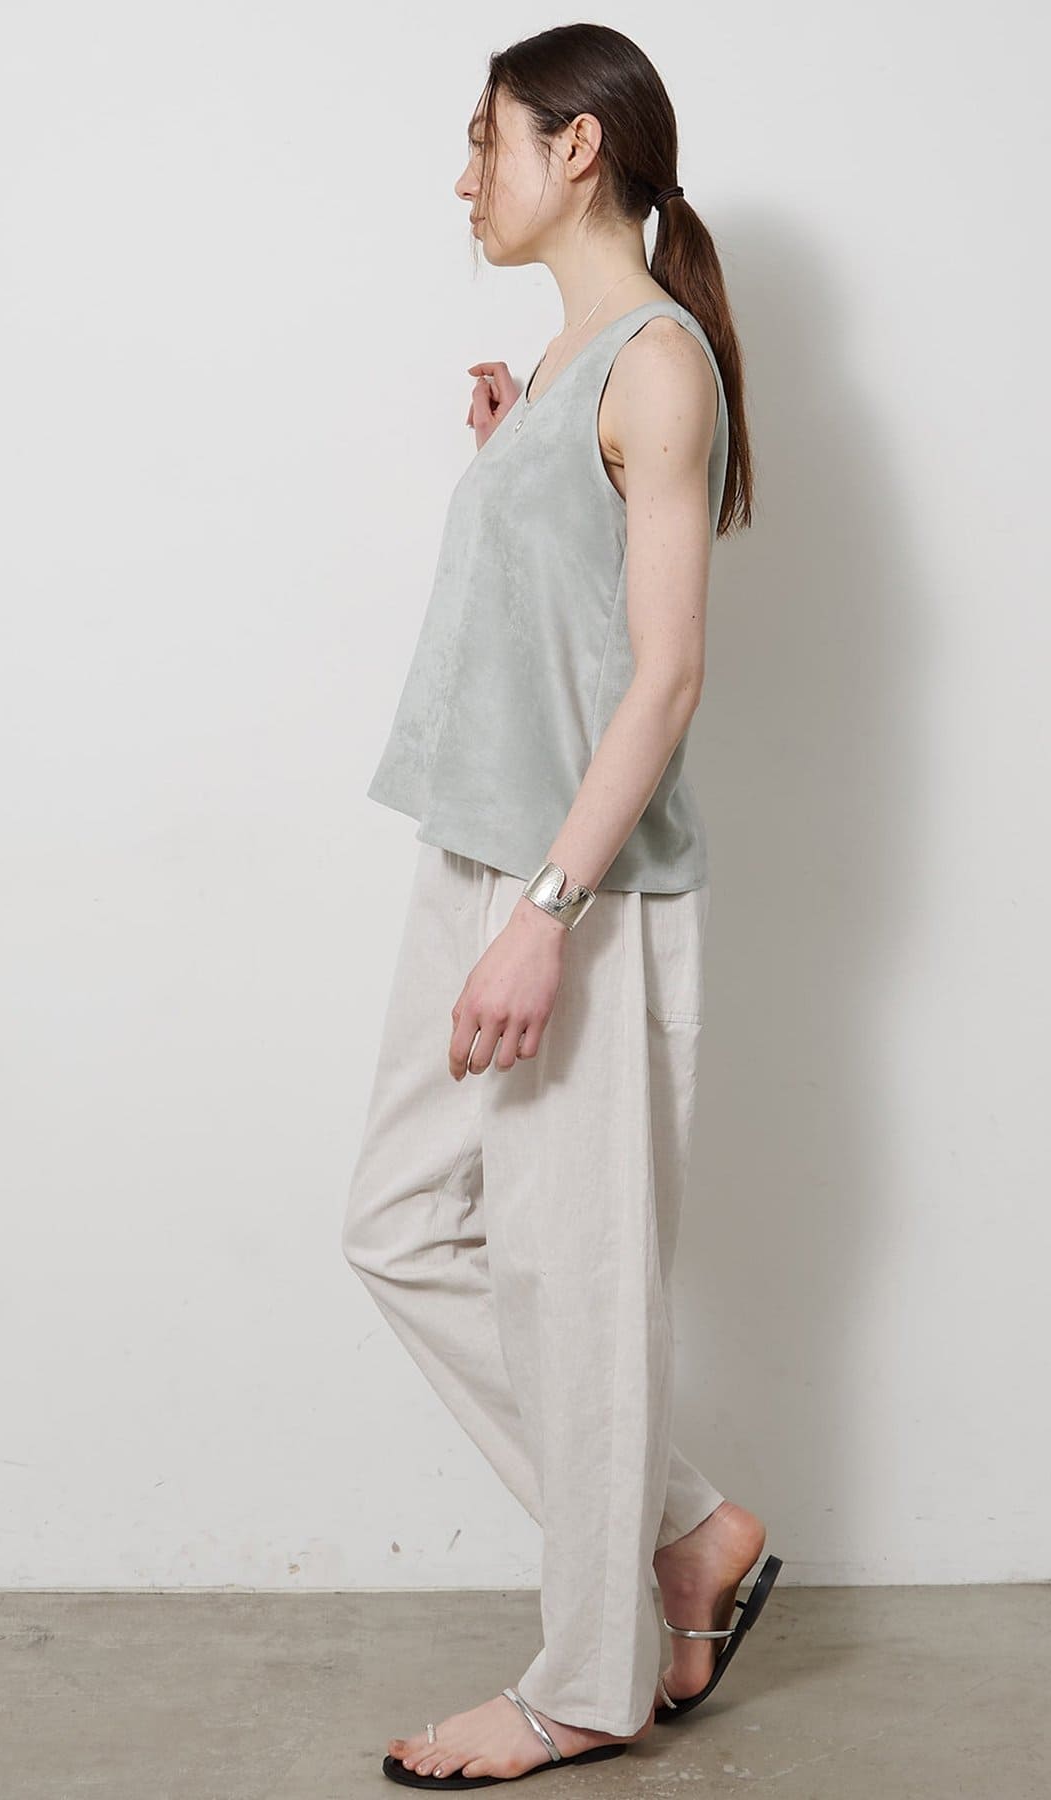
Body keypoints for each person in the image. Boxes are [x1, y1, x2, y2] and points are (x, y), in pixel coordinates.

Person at [341, 23, 777, 1789]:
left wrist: (546, 914)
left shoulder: (661, 365)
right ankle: (685, 1532)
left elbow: (664, 679)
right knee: (399, 1222)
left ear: (576, 148)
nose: (464, 177)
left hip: (570, 888)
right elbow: (566, 631)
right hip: (475, 854)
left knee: (574, 1290)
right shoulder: (569, 365)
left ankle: (589, 1679)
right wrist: (515, 457)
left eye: (486, 140)